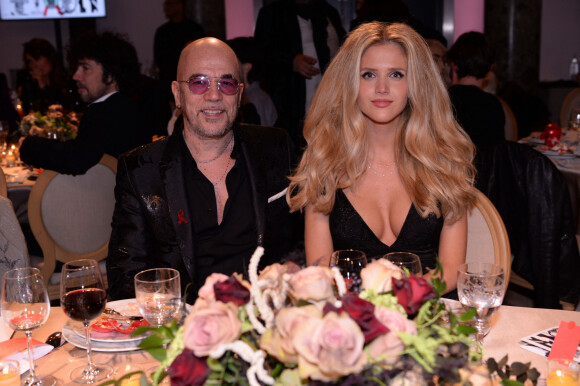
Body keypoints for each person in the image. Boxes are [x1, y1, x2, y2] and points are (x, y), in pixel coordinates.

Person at [287, 22, 477, 292]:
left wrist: (401, 301)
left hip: (430, 316)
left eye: (397, 75)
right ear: (350, 82)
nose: (382, 88)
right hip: (355, 319)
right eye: (368, 75)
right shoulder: (325, 165)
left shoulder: (443, 163)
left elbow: (450, 270)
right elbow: (320, 273)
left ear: (416, 83)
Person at [106, 38, 297, 303]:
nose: (214, 95)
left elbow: (304, 243)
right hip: (184, 327)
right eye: (199, 82)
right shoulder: (140, 170)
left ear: (239, 94)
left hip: (265, 321)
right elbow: (126, 279)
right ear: (177, 93)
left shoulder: (276, 147)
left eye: (226, 83)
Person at [19, 32, 152, 175]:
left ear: (111, 74)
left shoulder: (104, 112)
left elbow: (76, 159)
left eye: (85, 68)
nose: (76, 76)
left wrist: (27, 145)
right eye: (77, 68)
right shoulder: (130, 106)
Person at [255, 0, 346, 150]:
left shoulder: (328, 12)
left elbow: (344, 49)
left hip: (330, 97)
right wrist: (291, 61)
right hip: (290, 101)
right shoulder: (272, 13)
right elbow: (262, 54)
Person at [446, 31, 505, 153]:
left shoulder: (441, 99)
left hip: (447, 170)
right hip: (484, 171)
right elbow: (498, 152)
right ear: (491, 67)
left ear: (454, 65)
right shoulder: (493, 104)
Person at [154, 0, 205, 103]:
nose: (165, 8)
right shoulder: (162, 32)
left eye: (169, 4)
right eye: (165, 4)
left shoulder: (194, 30)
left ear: (179, 5)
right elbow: (159, 60)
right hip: (168, 86)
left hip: (192, 84)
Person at [17, 38, 79, 114]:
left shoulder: (67, 81)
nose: (34, 65)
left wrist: (44, 87)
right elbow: (29, 111)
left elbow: (66, 108)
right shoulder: (28, 84)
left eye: (38, 59)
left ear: (50, 58)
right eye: (30, 61)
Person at [226, 37, 278, 126]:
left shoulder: (255, 99)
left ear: (247, 67)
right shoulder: (254, 96)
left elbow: (259, 137)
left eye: (232, 62)